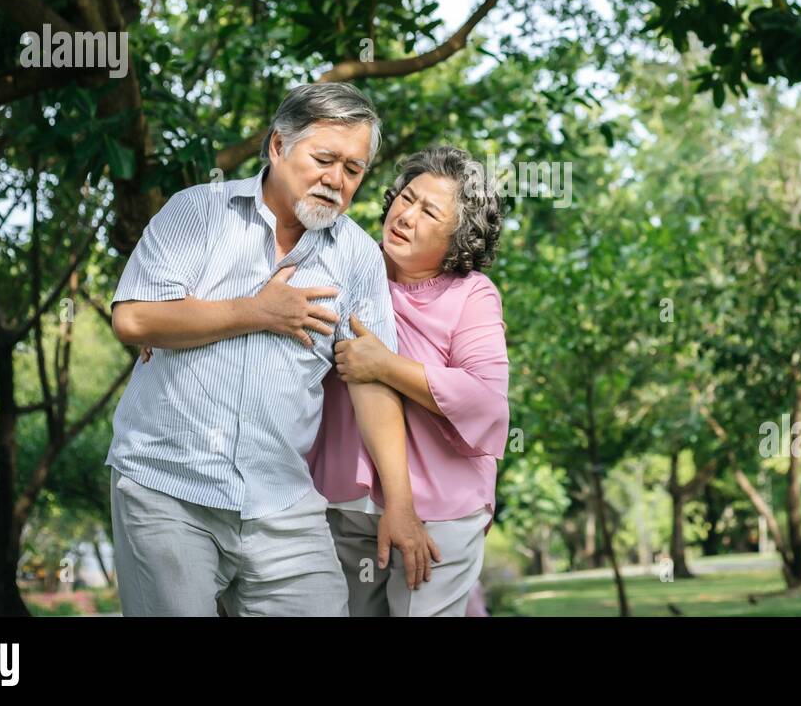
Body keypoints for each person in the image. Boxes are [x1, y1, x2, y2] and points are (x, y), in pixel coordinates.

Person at [106, 82, 436, 616]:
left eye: (353, 170)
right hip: (166, 487)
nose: (336, 180)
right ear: (278, 147)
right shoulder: (197, 212)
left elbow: (368, 379)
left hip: (283, 504)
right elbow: (135, 318)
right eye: (324, 159)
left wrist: (400, 502)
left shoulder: (356, 256)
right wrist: (255, 311)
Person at [308, 145, 510, 616]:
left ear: (459, 238)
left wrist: (384, 366)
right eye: (406, 197)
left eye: (428, 211)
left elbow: (486, 402)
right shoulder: (349, 265)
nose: (405, 215)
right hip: (346, 502)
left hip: (440, 510)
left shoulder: (471, 295)